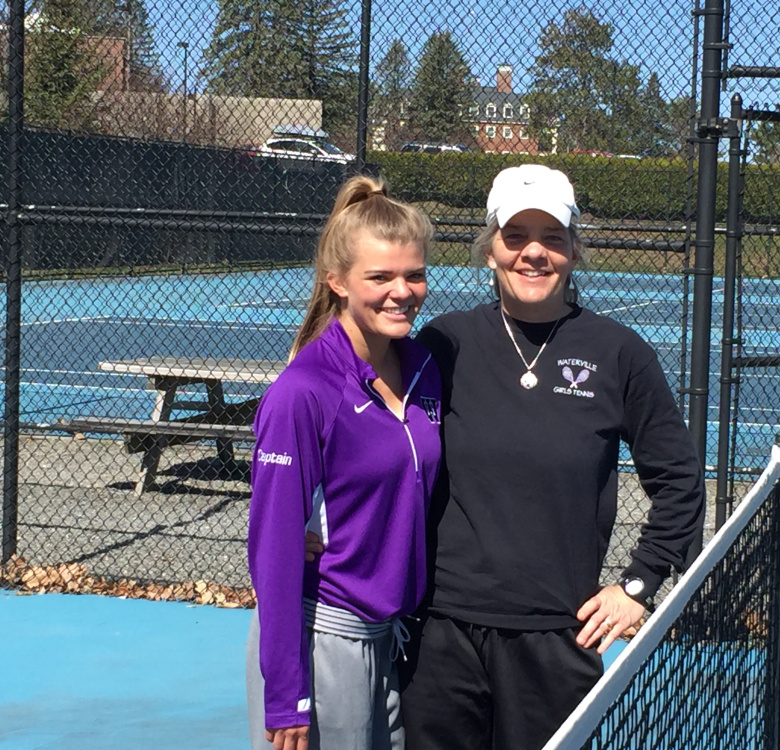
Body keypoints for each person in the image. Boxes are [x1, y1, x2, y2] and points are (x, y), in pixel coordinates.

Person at [398, 164, 706, 750]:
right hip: (440, 634)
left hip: (558, 638)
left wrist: (637, 585)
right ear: (490, 250)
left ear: (572, 250)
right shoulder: (442, 343)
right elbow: (378, 441)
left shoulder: (620, 354)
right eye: (515, 237)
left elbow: (680, 481)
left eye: (552, 238)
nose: (533, 253)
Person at [247, 175, 443, 750]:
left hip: (391, 637)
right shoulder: (303, 391)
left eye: (414, 274)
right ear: (337, 281)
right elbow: (275, 548)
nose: (401, 291)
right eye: (379, 277)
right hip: (323, 636)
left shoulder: (426, 370)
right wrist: (287, 694)